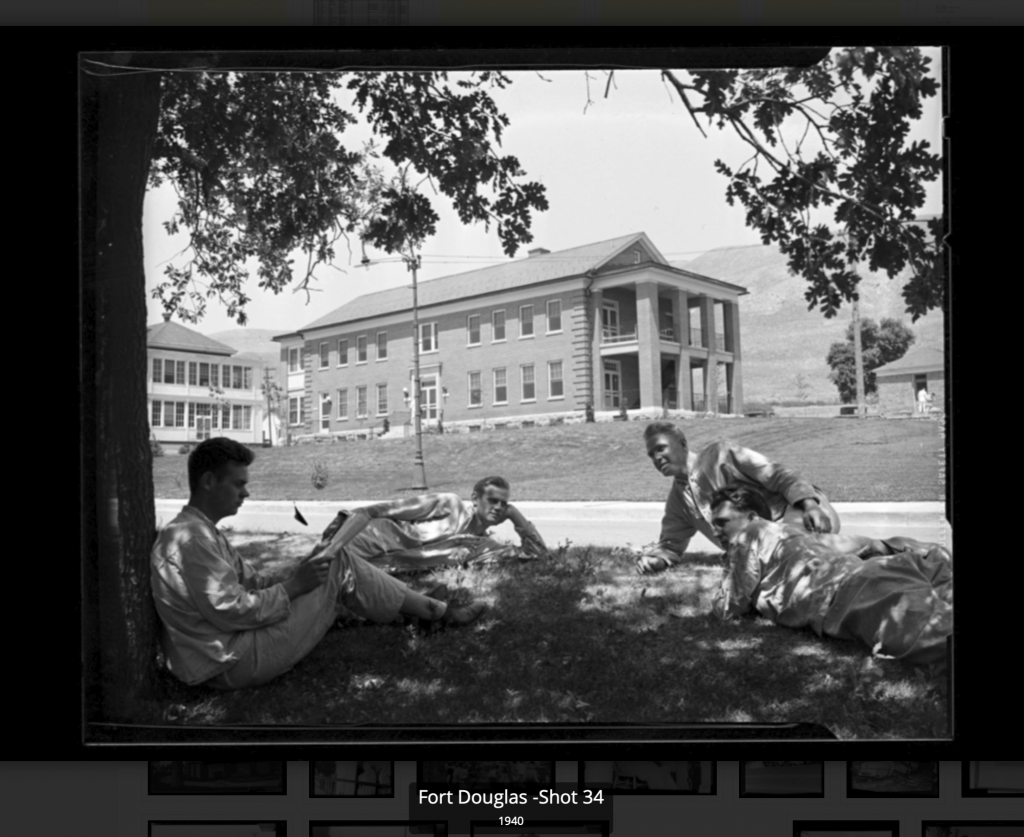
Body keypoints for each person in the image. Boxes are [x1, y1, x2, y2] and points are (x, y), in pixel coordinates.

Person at [150, 438, 488, 691]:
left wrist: (304, 567)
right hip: (228, 662)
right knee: (338, 563)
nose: (246, 494)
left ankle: (425, 609)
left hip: (229, 650)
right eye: (239, 484)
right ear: (209, 482)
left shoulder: (201, 532)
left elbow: (252, 583)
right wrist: (295, 585)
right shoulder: (192, 540)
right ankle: (437, 612)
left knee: (330, 558)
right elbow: (232, 610)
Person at [707, 485, 952, 668]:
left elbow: (730, 607)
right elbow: (853, 544)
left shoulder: (748, 535)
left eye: (722, 522)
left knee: (938, 642)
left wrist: (727, 570)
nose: (715, 531)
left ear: (752, 517)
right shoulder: (788, 533)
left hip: (856, 589)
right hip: (877, 573)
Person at [636, 421, 841, 575]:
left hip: (797, 511)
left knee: (797, 559)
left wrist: (810, 506)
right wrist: (657, 561)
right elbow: (670, 544)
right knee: (781, 563)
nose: (656, 457)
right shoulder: (678, 501)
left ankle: (859, 555)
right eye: (651, 454)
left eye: (661, 448)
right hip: (760, 546)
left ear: (682, 444)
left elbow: (780, 475)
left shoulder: (720, 454)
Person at [313, 476, 550, 574]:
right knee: (316, 572)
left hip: (379, 568)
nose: (498, 507)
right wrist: (338, 542)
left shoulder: (483, 547)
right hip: (369, 537)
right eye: (492, 500)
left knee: (324, 585)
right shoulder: (450, 504)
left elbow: (537, 554)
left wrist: (515, 515)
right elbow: (379, 511)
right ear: (475, 499)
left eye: (504, 504)